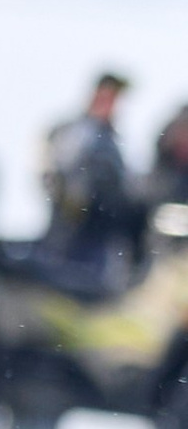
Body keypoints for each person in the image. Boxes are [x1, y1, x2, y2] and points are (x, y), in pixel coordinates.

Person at [39, 71, 138, 287]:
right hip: (72, 236)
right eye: (109, 97)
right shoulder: (78, 134)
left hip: (99, 236)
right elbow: (54, 178)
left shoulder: (108, 138)